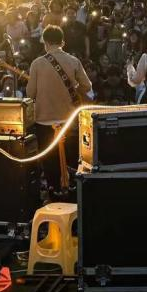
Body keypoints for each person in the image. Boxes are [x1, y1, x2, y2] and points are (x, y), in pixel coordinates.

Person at [26, 26, 92, 194]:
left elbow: (30, 93)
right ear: (62, 41)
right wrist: (73, 87)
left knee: (49, 160)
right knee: (72, 158)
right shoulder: (73, 61)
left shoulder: (37, 63)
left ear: (45, 42)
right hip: (68, 120)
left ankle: (53, 190)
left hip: (44, 121)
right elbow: (87, 86)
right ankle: (74, 191)